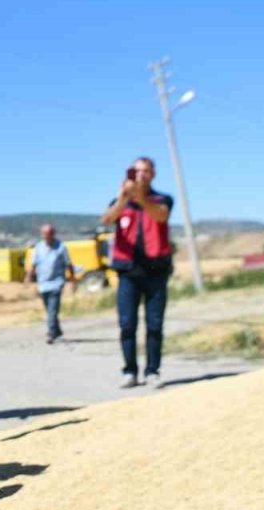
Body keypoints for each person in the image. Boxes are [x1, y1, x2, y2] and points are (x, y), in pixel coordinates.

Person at [101, 156, 174, 388]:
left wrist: (141, 197)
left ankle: (152, 370)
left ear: (153, 174)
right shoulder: (120, 201)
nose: (141, 175)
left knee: (154, 324)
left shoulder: (162, 199)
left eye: (145, 171)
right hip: (128, 273)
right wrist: (124, 197)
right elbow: (107, 219)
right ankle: (129, 371)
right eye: (137, 171)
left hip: (156, 271)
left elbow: (160, 215)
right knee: (127, 324)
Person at [26, 224, 77, 344]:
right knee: (49, 309)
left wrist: (73, 280)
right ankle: (57, 331)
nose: (46, 236)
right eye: (43, 234)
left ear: (53, 234)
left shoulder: (61, 247)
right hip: (43, 283)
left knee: (52, 309)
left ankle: (51, 333)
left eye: (48, 234)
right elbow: (34, 264)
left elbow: (68, 264)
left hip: (57, 283)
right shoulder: (38, 247)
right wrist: (28, 277)